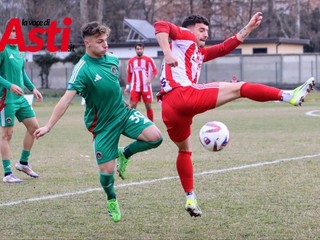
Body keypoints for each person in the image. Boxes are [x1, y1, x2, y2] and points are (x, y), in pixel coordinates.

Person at [151, 12, 315, 217]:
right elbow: (161, 24)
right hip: (182, 95)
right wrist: (166, 52)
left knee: (185, 150)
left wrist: (248, 28)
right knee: (240, 88)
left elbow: (223, 48)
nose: (205, 35)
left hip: (170, 108)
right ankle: (289, 95)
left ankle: (190, 197)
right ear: (190, 29)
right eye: (201, 30)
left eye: (207, 31)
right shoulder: (185, 35)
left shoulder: (197, 53)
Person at [33, 21, 163, 222]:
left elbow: (112, 87)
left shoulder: (111, 59)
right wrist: (48, 126)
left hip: (123, 114)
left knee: (156, 138)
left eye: (106, 40)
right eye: (100, 41)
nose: (106, 45)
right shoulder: (82, 69)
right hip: (102, 126)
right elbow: (66, 100)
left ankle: (124, 153)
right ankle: (111, 199)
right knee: (107, 173)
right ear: (87, 43)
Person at [0, 24, 43, 183]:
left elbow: (22, 71)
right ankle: (7, 174)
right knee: (7, 135)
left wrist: (32, 88)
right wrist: (9, 85)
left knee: (34, 128)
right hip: (6, 98)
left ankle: (23, 163)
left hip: (20, 98)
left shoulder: (20, 49)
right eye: (11, 32)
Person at [125, 43, 158, 121]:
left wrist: (150, 78)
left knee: (148, 106)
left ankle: (151, 124)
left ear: (143, 49)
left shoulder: (149, 59)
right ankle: (131, 123)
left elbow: (155, 71)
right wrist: (127, 87)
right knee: (132, 106)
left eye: (141, 49)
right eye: (138, 49)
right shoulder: (131, 61)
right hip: (135, 87)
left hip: (146, 87)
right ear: (135, 50)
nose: (139, 51)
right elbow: (129, 74)